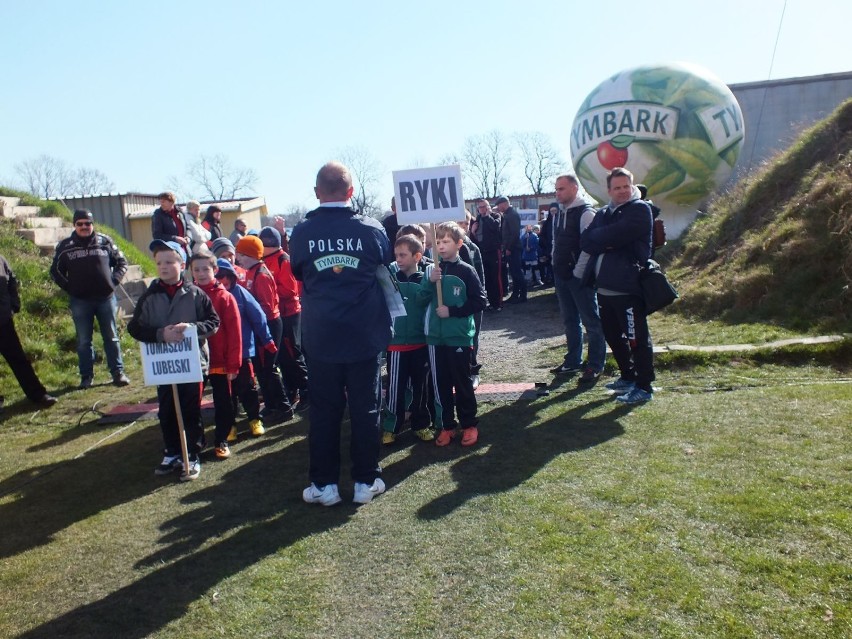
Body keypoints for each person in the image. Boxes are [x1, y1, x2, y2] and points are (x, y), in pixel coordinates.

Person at [289, 161, 392, 506]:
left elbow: (299, 272)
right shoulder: (371, 229)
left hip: (321, 337)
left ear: (317, 192)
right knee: (365, 409)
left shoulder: (302, 232)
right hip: (364, 334)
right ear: (351, 191)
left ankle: (324, 485)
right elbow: (384, 263)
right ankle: (365, 480)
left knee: (324, 411)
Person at [127, 240, 220, 480]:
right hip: (163, 366)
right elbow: (135, 328)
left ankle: (192, 453)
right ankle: (172, 451)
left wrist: (191, 328)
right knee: (167, 409)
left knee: (190, 410)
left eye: (169, 261)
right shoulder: (149, 296)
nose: (164, 267)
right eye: (159, 262)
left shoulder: (196, 293)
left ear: (182, 264)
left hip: (192, 364)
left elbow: (213, 322)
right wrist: (161, 334)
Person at [581, 167, 655, 404]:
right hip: (603, 288)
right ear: (609, 190)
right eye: (617, 187)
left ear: (632, 186)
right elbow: (586, 241)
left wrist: (604, 239)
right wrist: (608, 240)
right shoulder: (603, 212)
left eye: (626, 186)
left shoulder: (640, 209)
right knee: (613, 336)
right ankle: (627, 376)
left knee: (637, 338)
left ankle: (644, 386)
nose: (622, 191)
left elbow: (614, 234)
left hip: (628, 287)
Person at [420, 222, 487, 447]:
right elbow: (421, 299)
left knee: (462, 382)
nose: (441, 245)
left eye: (446, 241)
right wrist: (430, 283)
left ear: (459, 244)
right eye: (437, 241)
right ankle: (447, 425)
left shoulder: (466, 270)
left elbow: (480, 301)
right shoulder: (432, 271)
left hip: (458, 336)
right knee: (441, 383)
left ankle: (469, 424)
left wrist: (453, 311)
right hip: (436, 339)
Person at [50, 209, 130, 389]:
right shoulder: (65, 246)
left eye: (88, 223)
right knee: (84, 340)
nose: (84, 227)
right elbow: (55, 271)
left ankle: (118, 372)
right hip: (80, 300)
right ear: (74, 225)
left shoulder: (105, 241)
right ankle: (86, 377)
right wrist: (69, 287)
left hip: (105, 298)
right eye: (80, 224)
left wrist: (114, 280)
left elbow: (122, 262)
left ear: (92, 224)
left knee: (111, 336)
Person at [550, 174, 607, 384]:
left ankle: (595, 364)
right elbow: (557, 241)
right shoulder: (559, 213)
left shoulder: (586, 213)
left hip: (578, 277)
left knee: (591, 321)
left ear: (574, 188)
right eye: (556, 189)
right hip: (561, 274)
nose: (558, 193)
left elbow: (589, 247)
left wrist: (578, 273)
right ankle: (573, 360)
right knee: (569, 320)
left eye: (562, 189)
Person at [235, 235, 293, 426]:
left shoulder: (261, 274)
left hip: (269, 325)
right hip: (261, 325)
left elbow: (267, 307)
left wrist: (249, 312)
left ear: (251, 254)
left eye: (241, 255)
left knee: (269, 368)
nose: (239, 259)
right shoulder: (251, 272)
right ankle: (270, 403)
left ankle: (284, 407)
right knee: (261, 369)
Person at [190, 253, 242, 460]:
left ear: (215, 270)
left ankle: (221, 439)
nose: (201, 273)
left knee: (224, 402)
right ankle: (197, 440)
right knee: (193, 403)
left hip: (220, 361)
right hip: (195, 360)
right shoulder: (187, 296)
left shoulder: (225, 297)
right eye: (196, 269)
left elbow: (235, 332)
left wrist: (234, 364)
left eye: (205, 269)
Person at [214, 258, 272, 442]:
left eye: (224, 275)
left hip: (243, 351)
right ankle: (230, 425)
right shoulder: (208, 296)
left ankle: (254, 419)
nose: (221, 279)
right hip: (219, 356)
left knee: (247, 388)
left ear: (231, 277)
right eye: (217, 276)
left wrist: (267, 340)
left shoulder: (241, 293)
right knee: (225, 394)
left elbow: (258, 317)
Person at [382, 234, 433, 445]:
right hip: (395, 346)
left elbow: (426, 303)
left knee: (420, 388)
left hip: (420, 344)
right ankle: (391, 427)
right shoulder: (390, 280)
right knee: (394, 389)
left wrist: (431, 284)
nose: (398, 259)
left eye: (403, 255)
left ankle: (420, 424)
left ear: (417, 256)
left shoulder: (426, 280)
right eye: (396, 255)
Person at [259, 226, 309, 411]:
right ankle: (292, 390)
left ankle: (306, 391)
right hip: (277, 314)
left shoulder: (283, 260)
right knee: (283, 357)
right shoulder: (266, 260)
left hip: (289, 313)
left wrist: (268, 292)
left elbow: (290, 290)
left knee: (293, 353)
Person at [0, 254, 57, 407]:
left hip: (4, 320)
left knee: (19, 359)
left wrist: (14, 304)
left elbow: (11, 280)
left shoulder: (1, 259)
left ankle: (38, 395)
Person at [470, 198, 503, 311]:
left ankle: (498, 303)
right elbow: (474, 239)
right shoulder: (477, 219)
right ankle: (491, 302)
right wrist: (473, 231)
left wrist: (487, 216)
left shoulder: (495, 216)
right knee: (487, 278)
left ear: (489, 206)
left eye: (485, 206)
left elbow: (495, 227)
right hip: (483, 253)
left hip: (494, 252)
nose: (482, 209)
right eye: (480, 207)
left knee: (496, 278)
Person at [494, 195, 526, 303]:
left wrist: (509, 248)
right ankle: (516, 294)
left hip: (514, 248)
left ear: (504, 203)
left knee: (517, 272)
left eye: (499, 205)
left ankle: (523, 295)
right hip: (511, 248)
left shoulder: (512, 215)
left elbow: (515, 233)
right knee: (513, 272)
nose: (498, 207)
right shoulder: (508, 214)